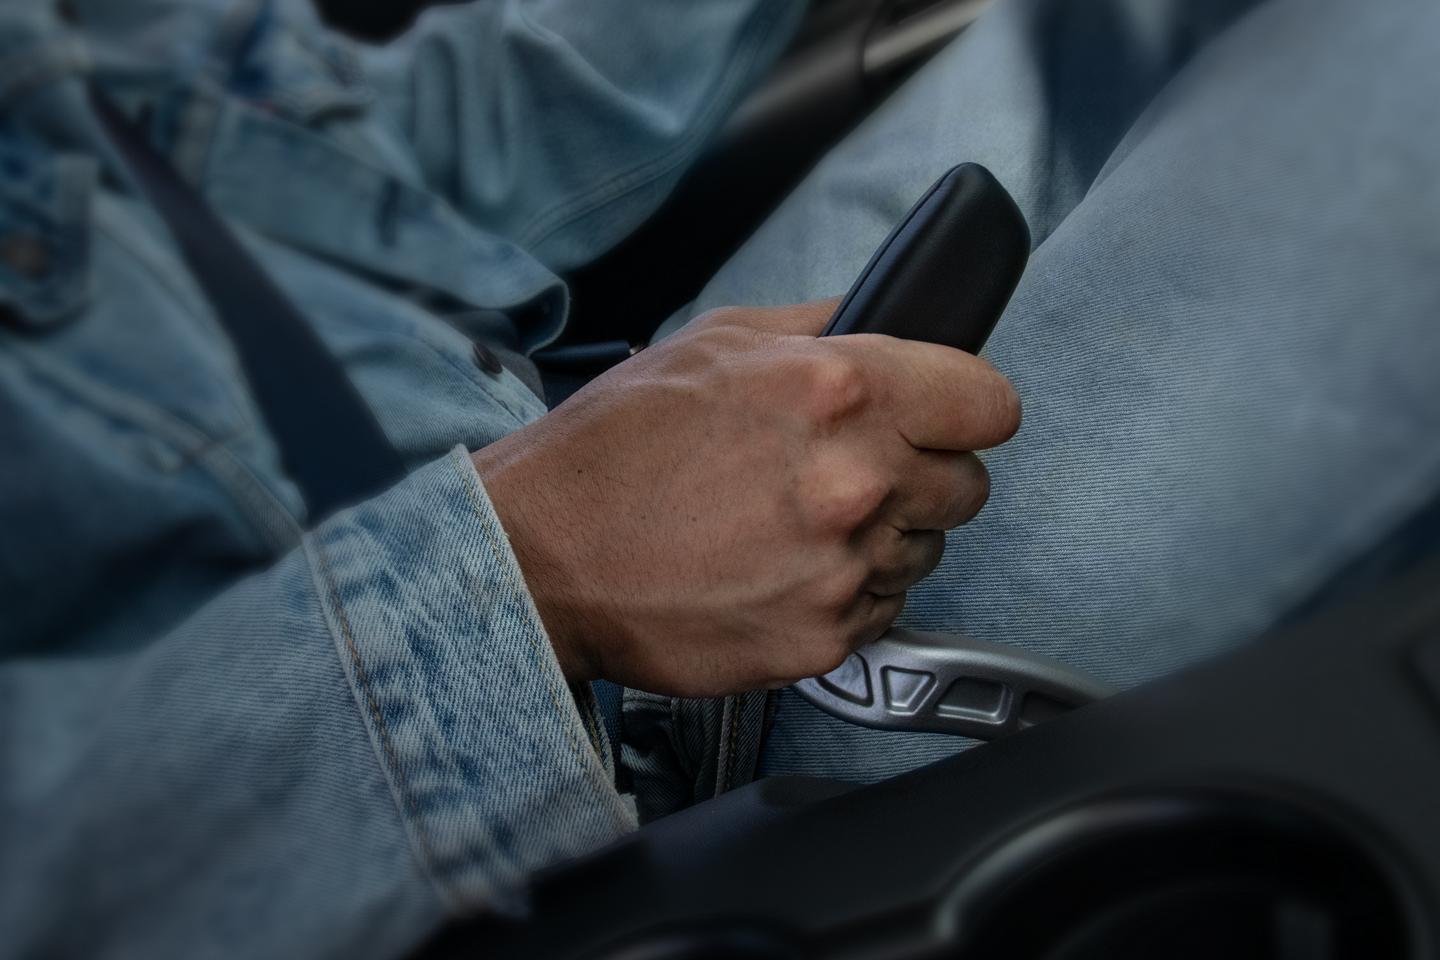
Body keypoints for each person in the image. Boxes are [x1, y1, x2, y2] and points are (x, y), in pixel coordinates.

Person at [1, 0, 1436, 957]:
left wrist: (578, 480)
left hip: (572, 454)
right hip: (522, 805)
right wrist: (539, 558)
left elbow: (386, 154)